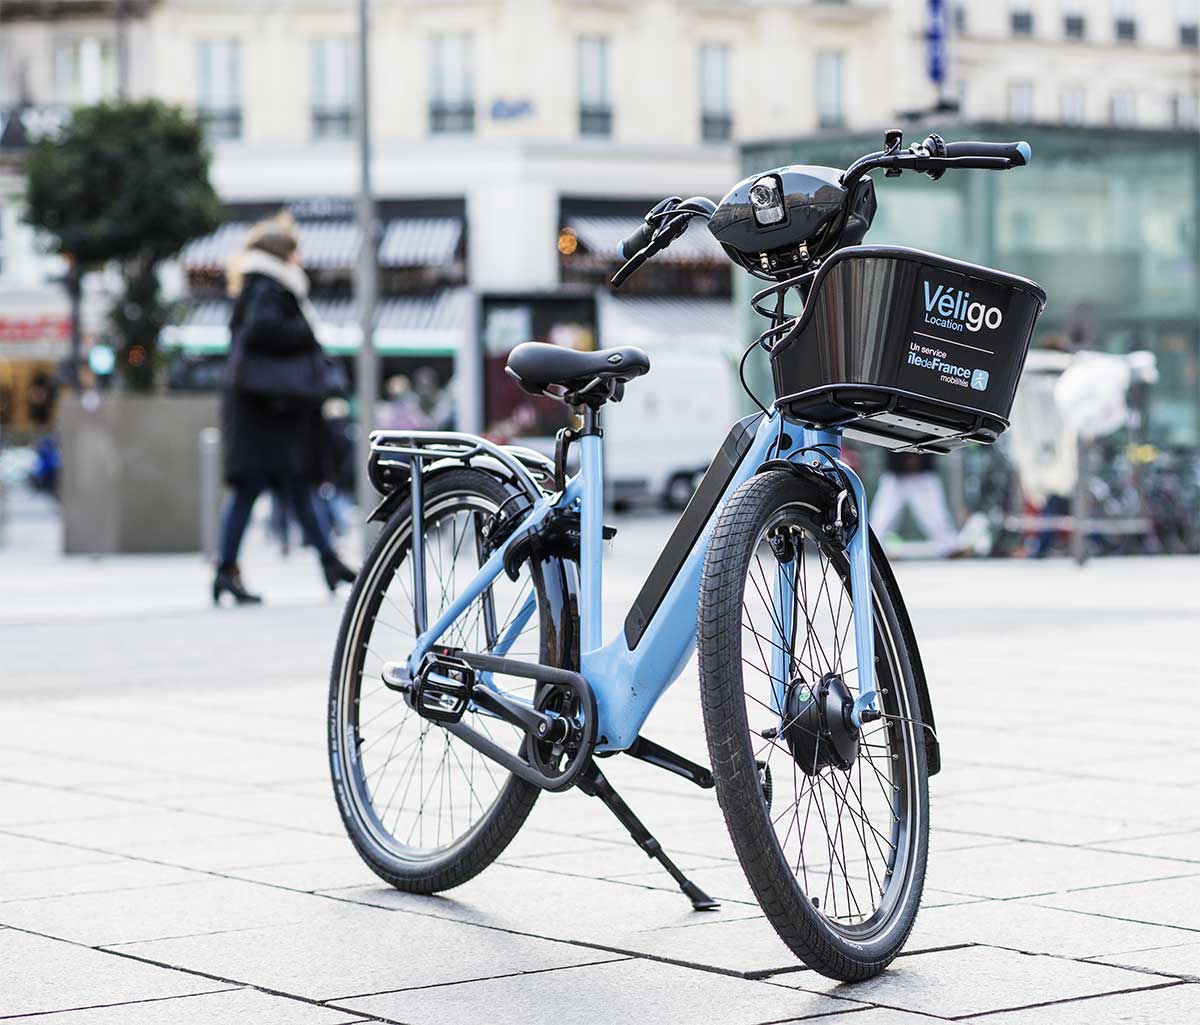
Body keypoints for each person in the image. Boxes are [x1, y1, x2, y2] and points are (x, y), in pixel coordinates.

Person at [213, 213, 356, 605]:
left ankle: (327, 561)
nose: (300, 259)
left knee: (296, 485)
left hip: (271, 410)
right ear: (281, 253)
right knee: (255, 488)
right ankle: (227, 569)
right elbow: (263, 331)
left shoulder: (260, 285)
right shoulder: (268, 287)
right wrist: (308, 335)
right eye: (295, 251)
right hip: (265, 410)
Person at [871, 450, 960, 557]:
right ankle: (872, 550)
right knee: (882, 517)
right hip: (896, 473)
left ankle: (950, 547)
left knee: (935, 515)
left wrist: (919, 457)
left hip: (923, 473)